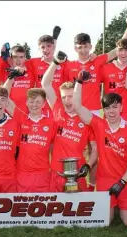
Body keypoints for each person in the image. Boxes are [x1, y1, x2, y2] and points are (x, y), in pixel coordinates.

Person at [72, 71, 127, 227]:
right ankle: (110, 206)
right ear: (104, 110)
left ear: (121, 107)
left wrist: (122, 182)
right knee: (104, 223)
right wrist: (79, 82)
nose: (111, 112)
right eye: (107, 108)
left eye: (115, 107)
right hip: (104, 180)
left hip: (126, 179)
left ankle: (122, 205)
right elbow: (77, 106)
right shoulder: (99, 124)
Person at [41, 53, 97, 192]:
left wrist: (88, 166)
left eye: (71, 96)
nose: (67, 101)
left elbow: (95, 148)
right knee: (56, 210)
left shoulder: (87, 118)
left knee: (78, 210)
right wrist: (55, 62)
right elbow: (45, 84)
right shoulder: (57, 107)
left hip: (78, 172)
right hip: (56, 171)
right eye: (64, 97)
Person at [64, 16, 127, 117]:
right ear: (75, 48)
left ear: (90, 47)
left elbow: (116, 51)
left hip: (93, 110)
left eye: (86, 47)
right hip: (74, 109)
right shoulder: (69, 65)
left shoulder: (97, 61)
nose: (83, 50)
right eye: (80, 47)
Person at [3, 69, 56, 192]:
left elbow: (53, 147)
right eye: (31, 101)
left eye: (38, 102)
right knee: (23, 208)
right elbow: (4, 98)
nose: (34, 105)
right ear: (26, 103)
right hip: (23, 174)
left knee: (42, 208)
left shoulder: (51, 123)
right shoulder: (21, 118)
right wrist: (10, 78)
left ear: (44, 104)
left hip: (43, 174)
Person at [4, 45, 37, 114]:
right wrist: (12, 75)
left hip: (27, 113)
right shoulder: (6, 73)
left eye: (21, 57)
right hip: (9, 113)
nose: (18, 60)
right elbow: (3, 93)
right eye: (15, 57)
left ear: (25, 58)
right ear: (11, 58)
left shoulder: (31, 73)